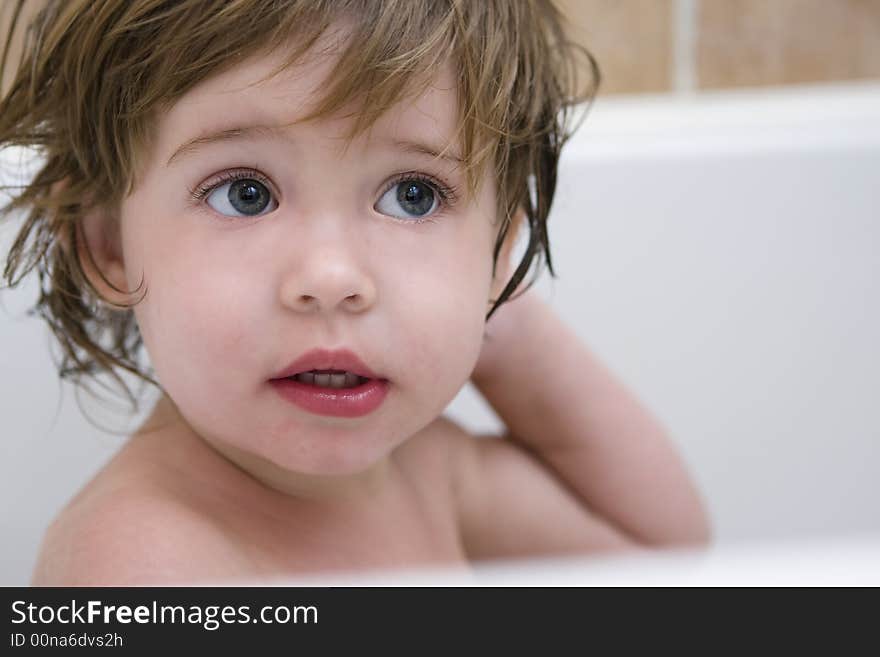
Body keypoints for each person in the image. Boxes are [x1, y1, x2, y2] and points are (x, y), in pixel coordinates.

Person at [0, 0, 710, 585]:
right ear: (109, 243)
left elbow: (662, 563)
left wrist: (501, 321)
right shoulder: (137, 565)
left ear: (500, 248)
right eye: (246, 194)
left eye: (412, 196)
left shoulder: (429, 474)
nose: (333, 278)